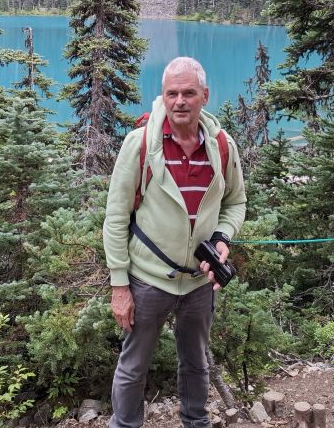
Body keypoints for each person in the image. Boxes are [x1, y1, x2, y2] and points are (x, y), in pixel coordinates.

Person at [103, 56, 246, 428]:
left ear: (204, 96)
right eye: (172, 93)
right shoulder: (139, 145)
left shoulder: (222, 146)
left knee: (196, 363)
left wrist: (222, 237)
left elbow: (236, 202)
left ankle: (196, 423)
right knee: (133, 366)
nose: (180, 101)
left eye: (188, 93)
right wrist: (120, 285)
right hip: (148, 280)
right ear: (163, 96)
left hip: (199, 282)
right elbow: (115, 217)